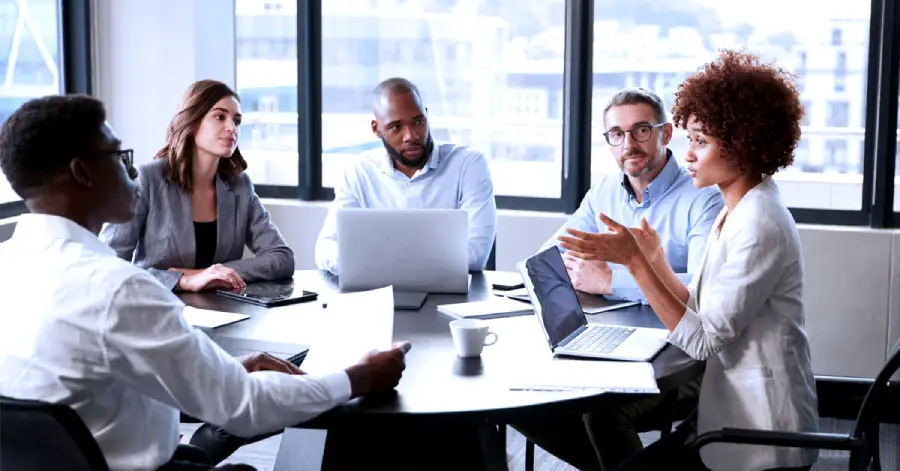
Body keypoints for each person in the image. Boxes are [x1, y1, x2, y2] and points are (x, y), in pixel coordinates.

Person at [0, 94, 410, 471]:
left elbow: (94, 378)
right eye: (118, 155)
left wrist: (222, 370)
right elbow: (244, 406)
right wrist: (360, 376)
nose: (130, 168)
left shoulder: (9, 265)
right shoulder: (118, 287)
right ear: (81, 173)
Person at [559, 50, 819, 471]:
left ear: (743, 144)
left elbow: (702, 341)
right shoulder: (734, 209)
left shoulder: (760, 223)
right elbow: (699, 300)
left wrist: (637, 267)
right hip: (722, 417)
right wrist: (655, 258)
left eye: (701, 141)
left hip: (758, 435)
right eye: (691, 140)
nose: (689, 154)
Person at [100, 80, 294, 293]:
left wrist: (209, 272)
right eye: (220, 117)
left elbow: (282, 258)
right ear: (192, 120)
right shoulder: (147, 179)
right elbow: (108, 267)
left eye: (237, 121)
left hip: (226, 313)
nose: (232, 127)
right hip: (158, 310)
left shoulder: (240, 186)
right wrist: (181, 280)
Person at [541, 87, 723, 304]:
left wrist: (610, 282)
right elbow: (547, 260)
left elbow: (701, 290)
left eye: (642, 130)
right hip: (607, 324)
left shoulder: (705, 199)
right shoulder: (603, 191)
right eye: (617, 134)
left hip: (674, 333)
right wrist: (573, 271)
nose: (628, 145)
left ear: (666, 134)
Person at [315, 77, 497, 274]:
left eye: (418, 121)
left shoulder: (468, 165)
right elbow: (326, 248)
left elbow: (476, 255)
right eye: (396, 127)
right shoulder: (359, 172)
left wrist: (374, 261)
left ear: (426, 116)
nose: (411, 136)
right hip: (378, 295)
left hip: (450, 299)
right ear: (377, 129)